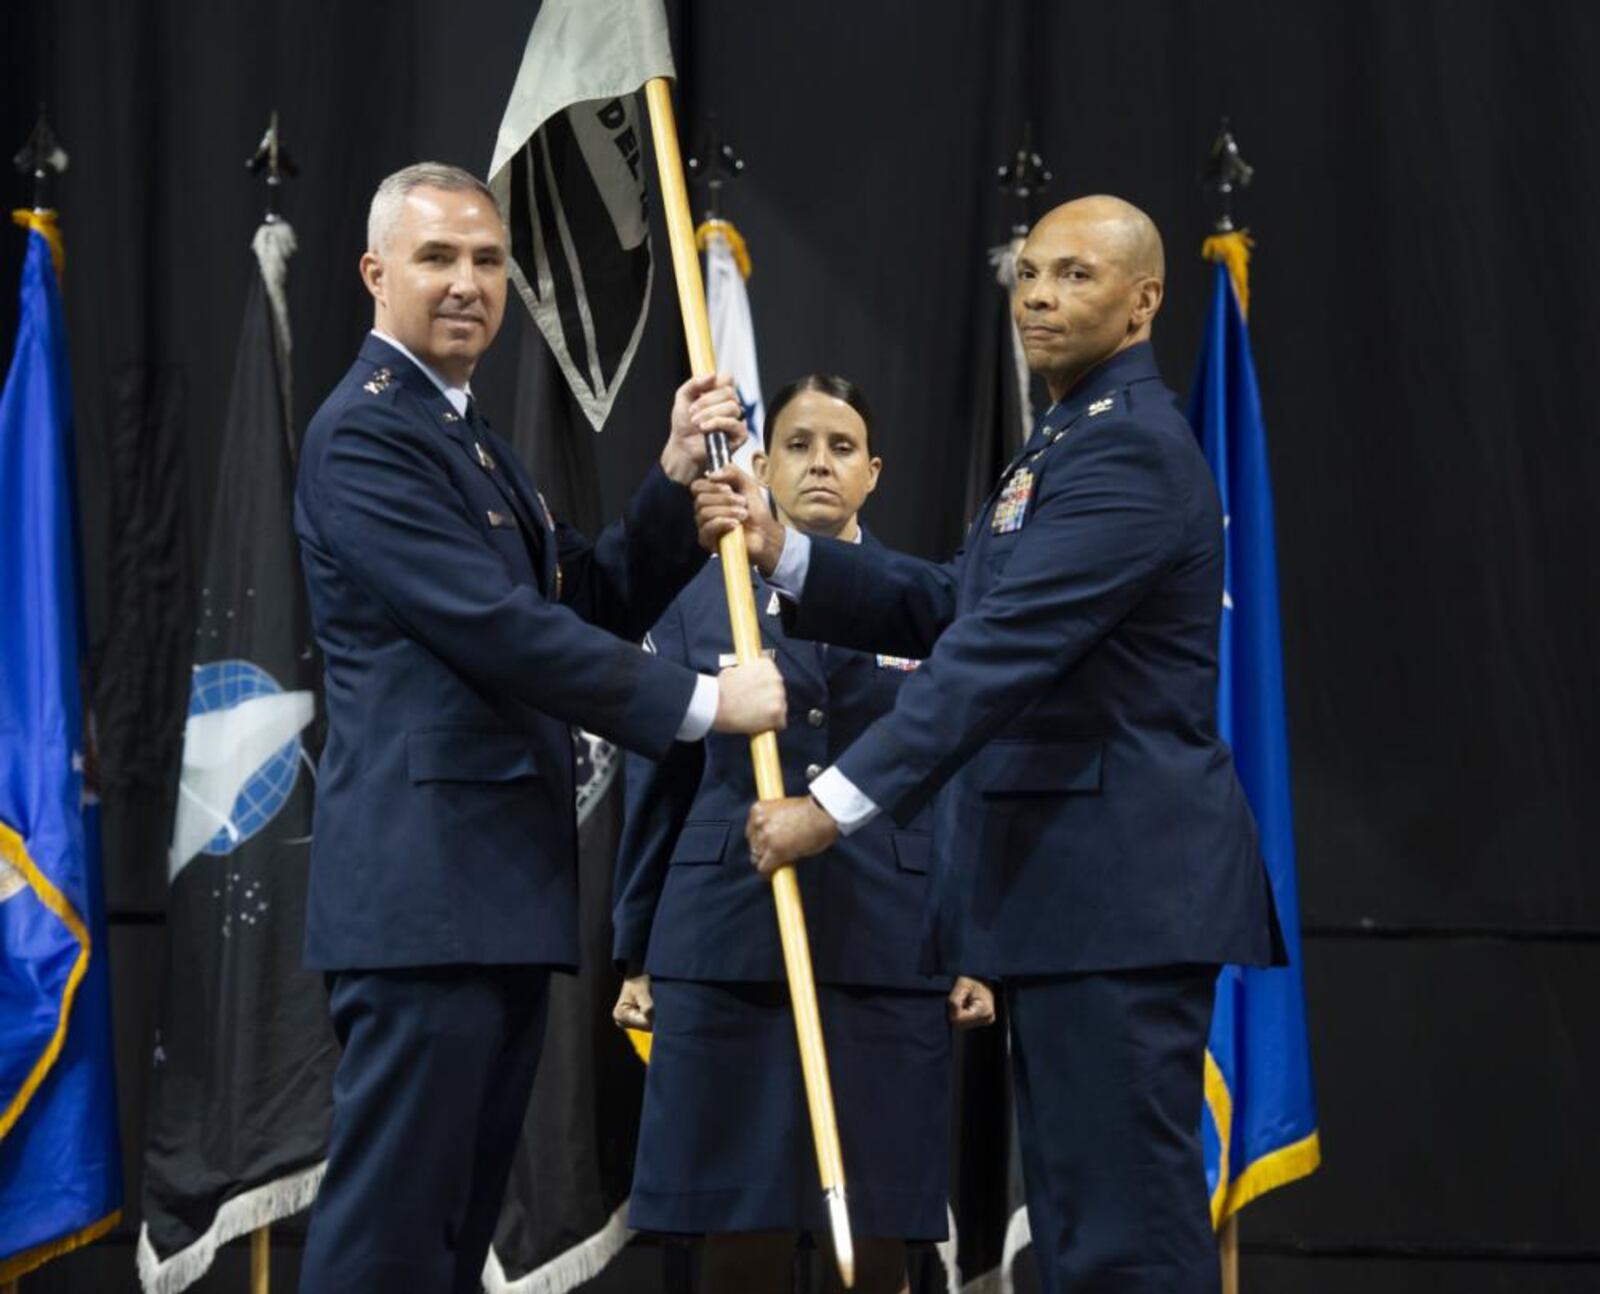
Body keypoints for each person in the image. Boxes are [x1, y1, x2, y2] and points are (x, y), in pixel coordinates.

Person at [697, 196, 1284, 1294]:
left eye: (1075, 277)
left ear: (1144, 300)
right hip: (1071, 899)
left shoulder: (1131, 456)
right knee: (1073, 1233)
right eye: (1029, 275)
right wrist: (787, 555)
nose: (1040, 298)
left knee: (1122, 1236)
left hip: (1121, 892)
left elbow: (997, 652)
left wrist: (829, 805)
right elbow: (958, 601)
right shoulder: (1064, 438)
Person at [292, 161, 786, 1293]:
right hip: (423, 903)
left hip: (490, 895)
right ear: (375, 273)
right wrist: (705, 705)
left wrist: (669, 489)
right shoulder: (366, 437)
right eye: (436, 257)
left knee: (451, 1233)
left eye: (487, 259)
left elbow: (568, 589)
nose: (468, 282)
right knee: (388, 1237)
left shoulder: (459, 433)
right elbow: (498, 628)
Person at [610, 374, 995, 1294]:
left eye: (842, 447)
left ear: (874, 474)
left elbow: (967, 776)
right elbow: (655, 780)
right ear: (760, 462)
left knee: (879, 1232)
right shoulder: (696, 601)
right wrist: (636, 951)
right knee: (736, 1222)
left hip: (889, 946)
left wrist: (976, 940)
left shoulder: (928, 604)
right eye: (797, 444)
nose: (820, 462)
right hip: (727, 938)